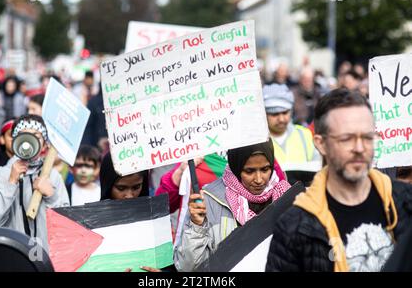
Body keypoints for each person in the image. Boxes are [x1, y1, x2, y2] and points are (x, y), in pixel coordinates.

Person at [266, 89, 412, 272]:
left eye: (367, 137)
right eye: (346, 139)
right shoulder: (294, 227)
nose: (359, 148)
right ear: (320, 144)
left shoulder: (405, 201)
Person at [174, 139, 291, 272]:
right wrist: (196, 227)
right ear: (236, 167)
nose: (259, 179)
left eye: (265, 169)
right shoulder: (208, 202)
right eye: (249, 171)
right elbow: (188, 268)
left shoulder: (285, 195)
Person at [0, 114, 69, 251]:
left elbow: (65, 225)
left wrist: (51, 196)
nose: (30, 140)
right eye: (23, 134)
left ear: (44, 143)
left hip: (46, 254)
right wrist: (11, 183)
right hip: (13, 253)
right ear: (15, 141)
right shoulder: (2, 174)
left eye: (36, 135)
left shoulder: (52, 176)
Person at [263, 83, 321, 168]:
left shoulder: (304, 134)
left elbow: (317, 164)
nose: (281, 119)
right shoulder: (259, 141)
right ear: (264, 114)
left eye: (285, 113)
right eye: (274, 114)